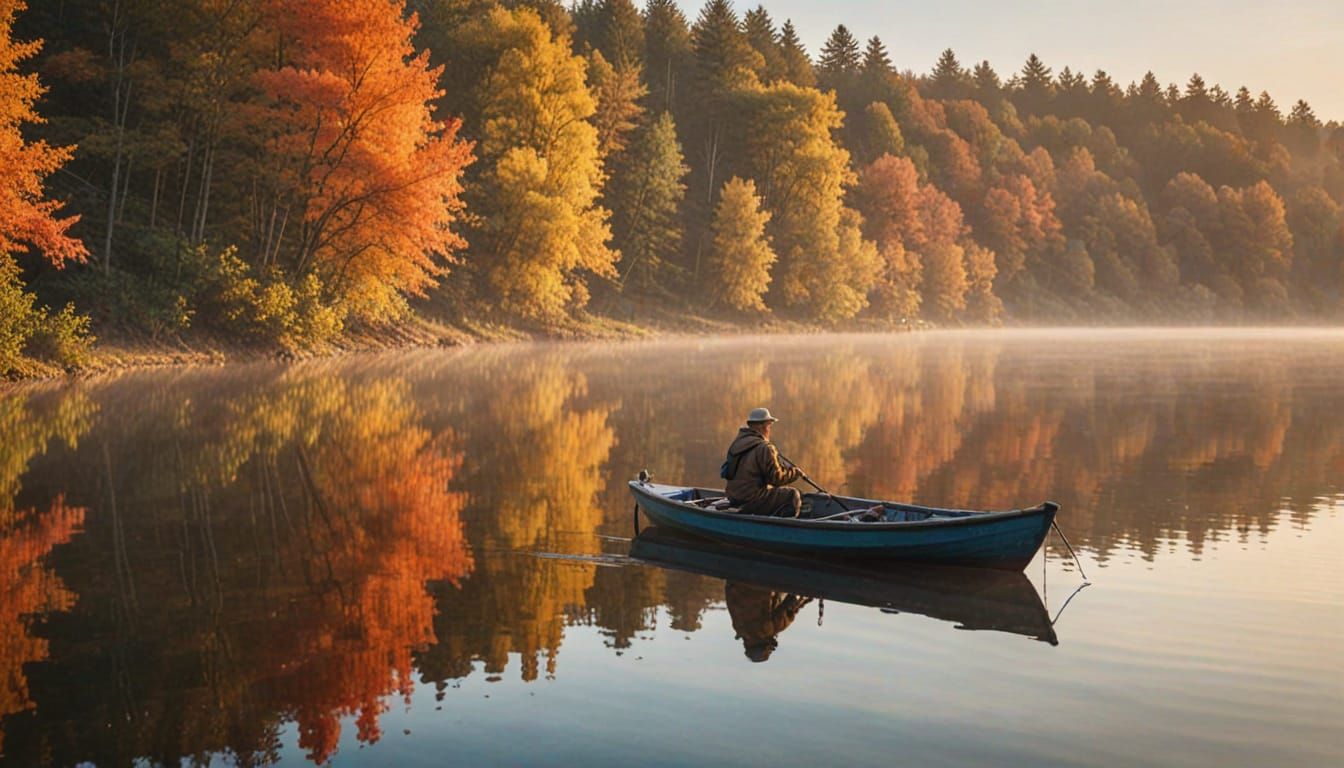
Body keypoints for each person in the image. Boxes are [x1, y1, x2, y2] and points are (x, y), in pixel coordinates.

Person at [722, 407, 803, 517]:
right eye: (769, 425)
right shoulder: (765, 448)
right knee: (792, 495)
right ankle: (785, 526)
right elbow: (776, 479)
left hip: (733, 497)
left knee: (774, 490)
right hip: (751, 499)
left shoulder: (736, 443)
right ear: (762, 426)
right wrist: (795, 473)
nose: (770, 429)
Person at [724, 582, 811, 663]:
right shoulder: (739, 627)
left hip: (764, 583)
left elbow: (790, 603)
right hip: (736, 581)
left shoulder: (768, 630)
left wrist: (807, 597)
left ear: (765, 646)